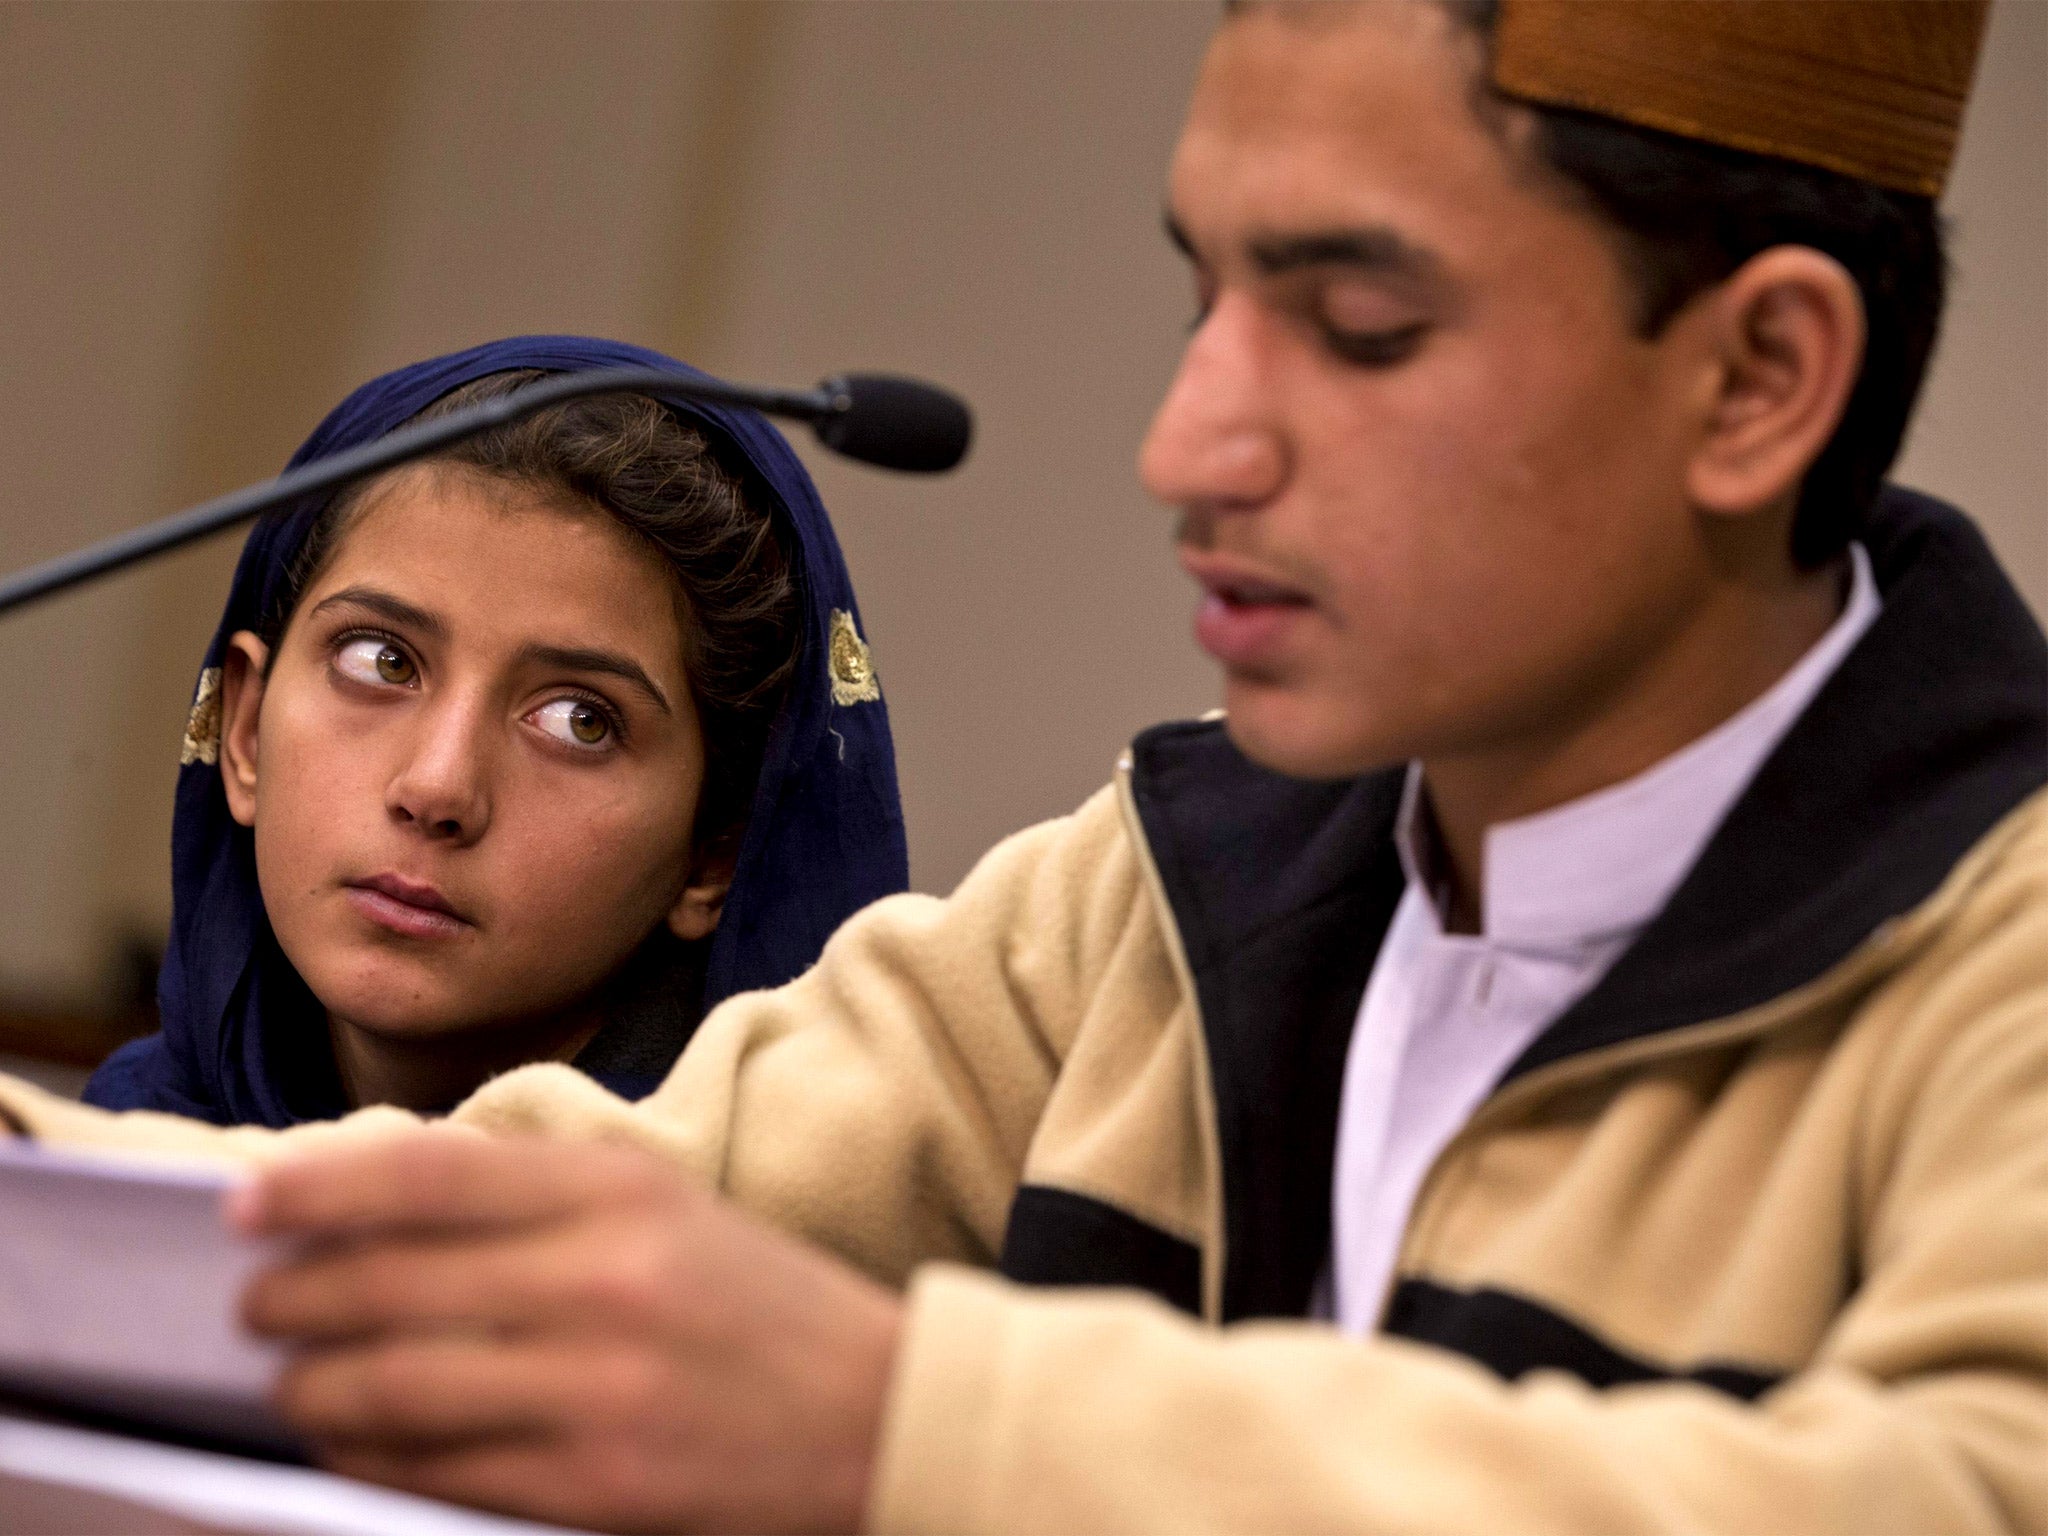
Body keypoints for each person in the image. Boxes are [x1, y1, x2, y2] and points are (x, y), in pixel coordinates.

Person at [2, 2, 2043, 1531]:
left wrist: (896, 1418)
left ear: (1758, 380)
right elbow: (533, 1212)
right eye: (1202, 295)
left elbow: (1957, 1487)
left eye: (1350, 325)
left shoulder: (2002, 942)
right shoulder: (1162, 891)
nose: (1186, 444)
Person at [80, 335, 908, 1124]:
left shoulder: (777, 1246)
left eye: (579, 721)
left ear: (713, 858)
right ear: (247, 730)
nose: (436, 788)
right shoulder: (88, 1167)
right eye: (382, 661)